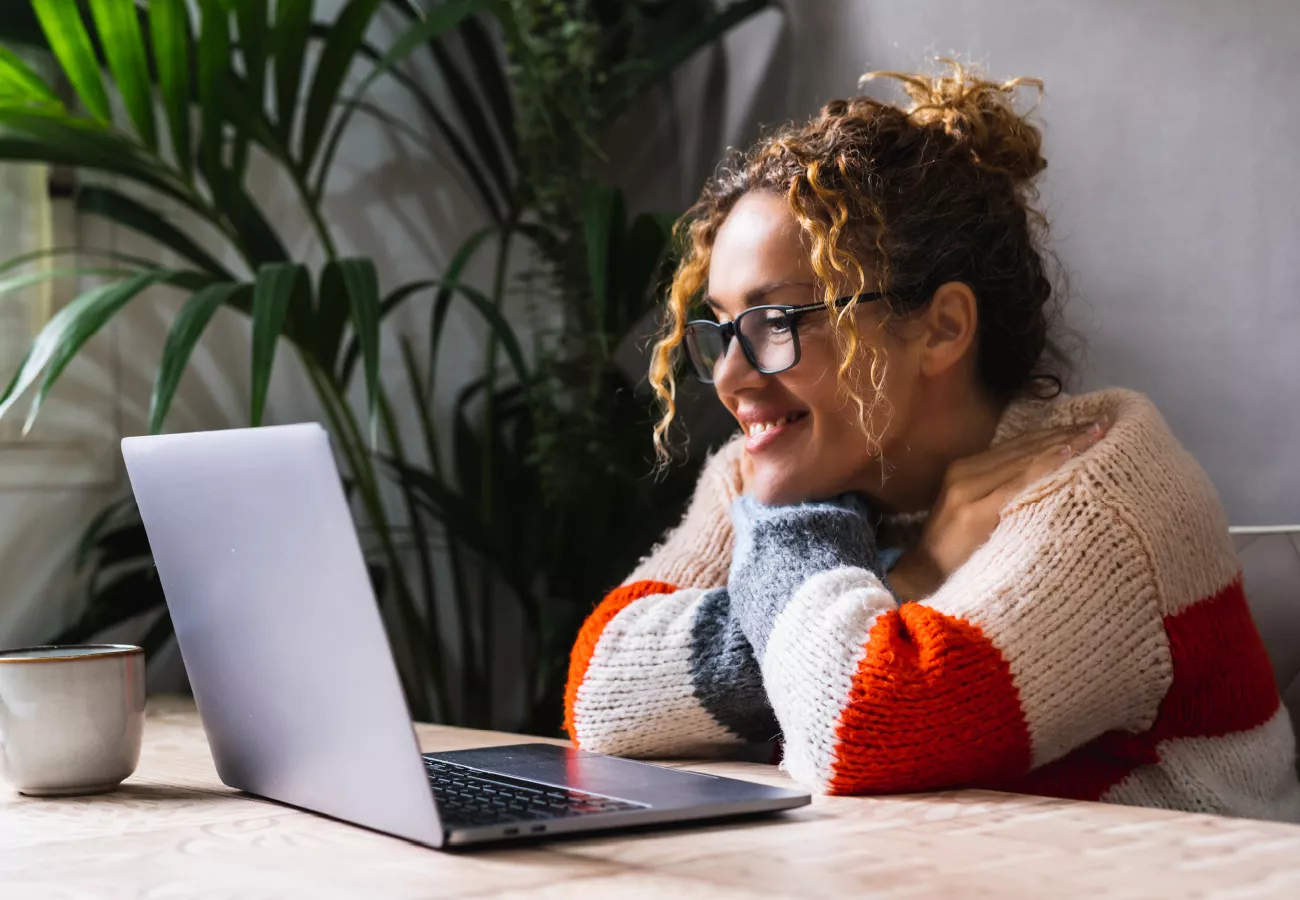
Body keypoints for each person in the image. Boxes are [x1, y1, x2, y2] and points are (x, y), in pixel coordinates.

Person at [562, 61, 1300, 820]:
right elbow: (602, 693)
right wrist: (909, 576)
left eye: (777, 323)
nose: (730, 381)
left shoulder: (1098, 490)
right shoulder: (784, 457)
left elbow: (859, 728)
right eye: (723, 330)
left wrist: (791, 528)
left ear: (942, 328)